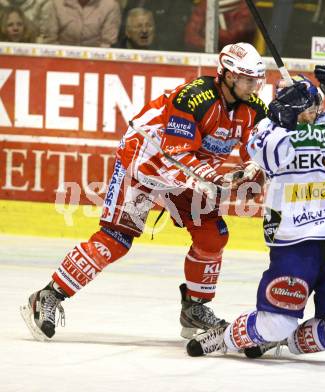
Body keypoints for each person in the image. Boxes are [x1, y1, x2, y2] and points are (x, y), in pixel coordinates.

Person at [20, 42, 268, 342]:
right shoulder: (193, 97)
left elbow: (262, 146)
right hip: (145, 163)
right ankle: (47, 296)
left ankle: (194, 308)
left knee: (212, 234)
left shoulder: (254, 107)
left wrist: (258, 165)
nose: (253, 85)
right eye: (247, 79)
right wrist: (214, 177)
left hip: (188, 174)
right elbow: (176, 150)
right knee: (116, 239)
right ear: (227, 75)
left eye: (256, 79)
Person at [186, 66, 325, 358]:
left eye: (311, 103)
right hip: (294, 239)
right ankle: (226, 337)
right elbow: (271, 157)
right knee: (276, 321)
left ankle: (281, 342)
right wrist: (284, 119)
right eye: (299, 105)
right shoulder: (267, 129)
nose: (309, 111)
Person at [40, 0, 121, 47]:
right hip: (60, 58)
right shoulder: (55, 3)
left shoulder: (111, 5)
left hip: (96, 60)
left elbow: (107, 42)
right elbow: (50, 39)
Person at [184, 0, 256, 52]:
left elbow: (235, 36)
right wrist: (205, 44)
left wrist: (208, 31)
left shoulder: (245, 5)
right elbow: (190, 36)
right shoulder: (207, 3)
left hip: (239, 58)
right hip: (205, 56)